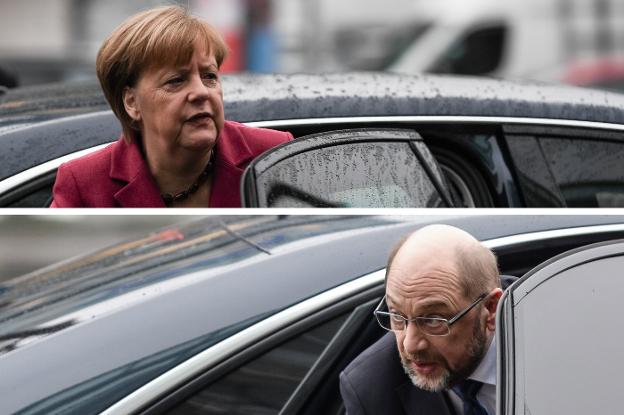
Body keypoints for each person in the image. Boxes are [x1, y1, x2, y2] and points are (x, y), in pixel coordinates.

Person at [51, 6, 293, 208]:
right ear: (132, 102)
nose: (201, 92)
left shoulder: (273, 154)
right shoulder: (83, 184)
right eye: (176, 80)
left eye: (209, 76)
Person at [340, 224, 515, 415]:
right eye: (397, 316)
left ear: (490, 309)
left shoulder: (548, 328)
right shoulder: (370, 389)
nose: (410, 345)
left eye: (432, 319)